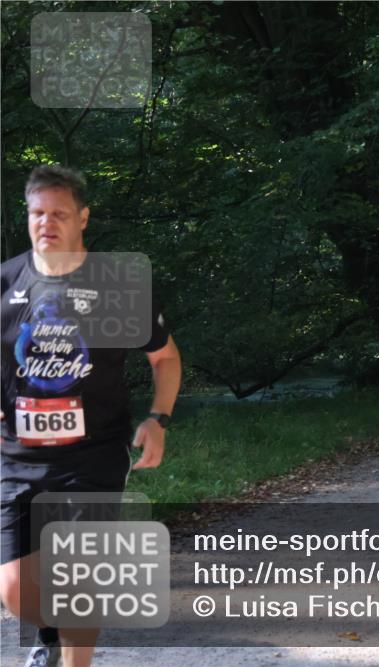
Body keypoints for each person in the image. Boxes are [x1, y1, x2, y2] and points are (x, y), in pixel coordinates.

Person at [0, 165, 182, 667]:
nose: (46, 223)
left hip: (94, 453)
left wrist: (157, 418)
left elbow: (164, 358)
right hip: (16, 456)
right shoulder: (5, 283)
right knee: (14, 592)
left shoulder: (116, 286)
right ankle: (50, 636)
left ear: (83, 217)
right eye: (37, 212)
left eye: (59, 213)